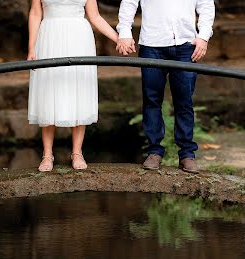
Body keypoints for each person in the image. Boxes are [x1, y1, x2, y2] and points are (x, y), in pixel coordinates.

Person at [116, 0, 215, 172]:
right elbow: (129, 2)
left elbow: (206, 5)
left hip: (186, 44)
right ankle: (154, 151)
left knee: (184, 101)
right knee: (152, 100)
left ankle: (187, 154)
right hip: (152, 44)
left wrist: (203, 36)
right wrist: (124, 32)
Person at [27, 0, 119, 172]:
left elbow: (95, 16)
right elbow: (35, 13)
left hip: (79, 38)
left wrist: (117, 38)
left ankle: (77, 153)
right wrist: (31, 48)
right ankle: (47, 155)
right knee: (48, 89)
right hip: (49, 37)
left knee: (78, 89)